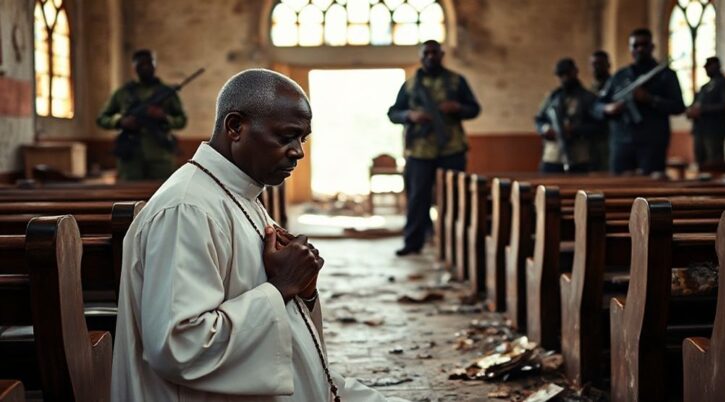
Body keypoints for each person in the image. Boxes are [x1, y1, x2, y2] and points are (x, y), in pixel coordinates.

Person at [111, 69, 408, 402]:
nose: (298, 151)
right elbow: (181, 347)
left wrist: (304, 289)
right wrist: (281, 288)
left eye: (302, 139)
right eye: (286, 137)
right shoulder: (187, 210)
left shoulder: (239, 194)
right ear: (236, 127)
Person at [388, 40, 481, 256]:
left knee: (456, 198)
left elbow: (474, 109)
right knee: (417, 198)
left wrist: (458, 107)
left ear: (442, 55)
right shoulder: (411, 85)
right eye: (426, 53)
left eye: (435, 52)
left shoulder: (457, 82)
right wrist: (410, 116)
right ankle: (413, 243)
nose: (431, 56)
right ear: (421, 56)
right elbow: (393, 113)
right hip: (419, 151)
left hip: (452, 148)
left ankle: (457, 245)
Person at [595, 28, 686, 175]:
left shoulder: (665, 75)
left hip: (653, 144)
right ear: (630, 48)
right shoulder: (620, 76)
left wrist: (650, 99)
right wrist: (608, 108)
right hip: (622, 142)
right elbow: (596, 106)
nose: (640, 49)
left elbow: (679, 107)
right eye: (635, 45)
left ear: (652, 47)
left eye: (644, 45)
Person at [97, 49, 187, 181]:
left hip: (160, 156)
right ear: (134, 67)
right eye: (140, 64)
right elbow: (102, 118)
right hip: (130, 156)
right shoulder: (122, 93)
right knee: (128, 195)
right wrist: (120, 121)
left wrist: (163, 117)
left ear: (154, 65)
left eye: (149, 63)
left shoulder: (167, 93)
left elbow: (182, 120)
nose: (145, 67)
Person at [534, 58, 600, 173]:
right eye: (561, 75)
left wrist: (574, 130)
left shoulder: (588, 98)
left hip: (579, 157)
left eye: (567, 74)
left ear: (575, 72)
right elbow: (539, 119)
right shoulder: (552, 97)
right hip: (553, 156)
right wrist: (545, 129)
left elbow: (597, 126)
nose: (564, 78)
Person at [686, 56, 725, 165]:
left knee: (714, 163)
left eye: (709, 67)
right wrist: (690, 111)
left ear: (716, 66)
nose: (706, 70)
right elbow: (695, 104)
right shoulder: (704, 87)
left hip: (714, 130)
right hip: (700, 130)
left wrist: (702, 110)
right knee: (700, 162)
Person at [588, 50, 612, 171]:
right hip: (592, 141)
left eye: (600, 64)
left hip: (610, 139)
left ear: (608, 65)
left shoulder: (614, 85)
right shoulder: (590, 89)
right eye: (593, 64)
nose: (596, 68)